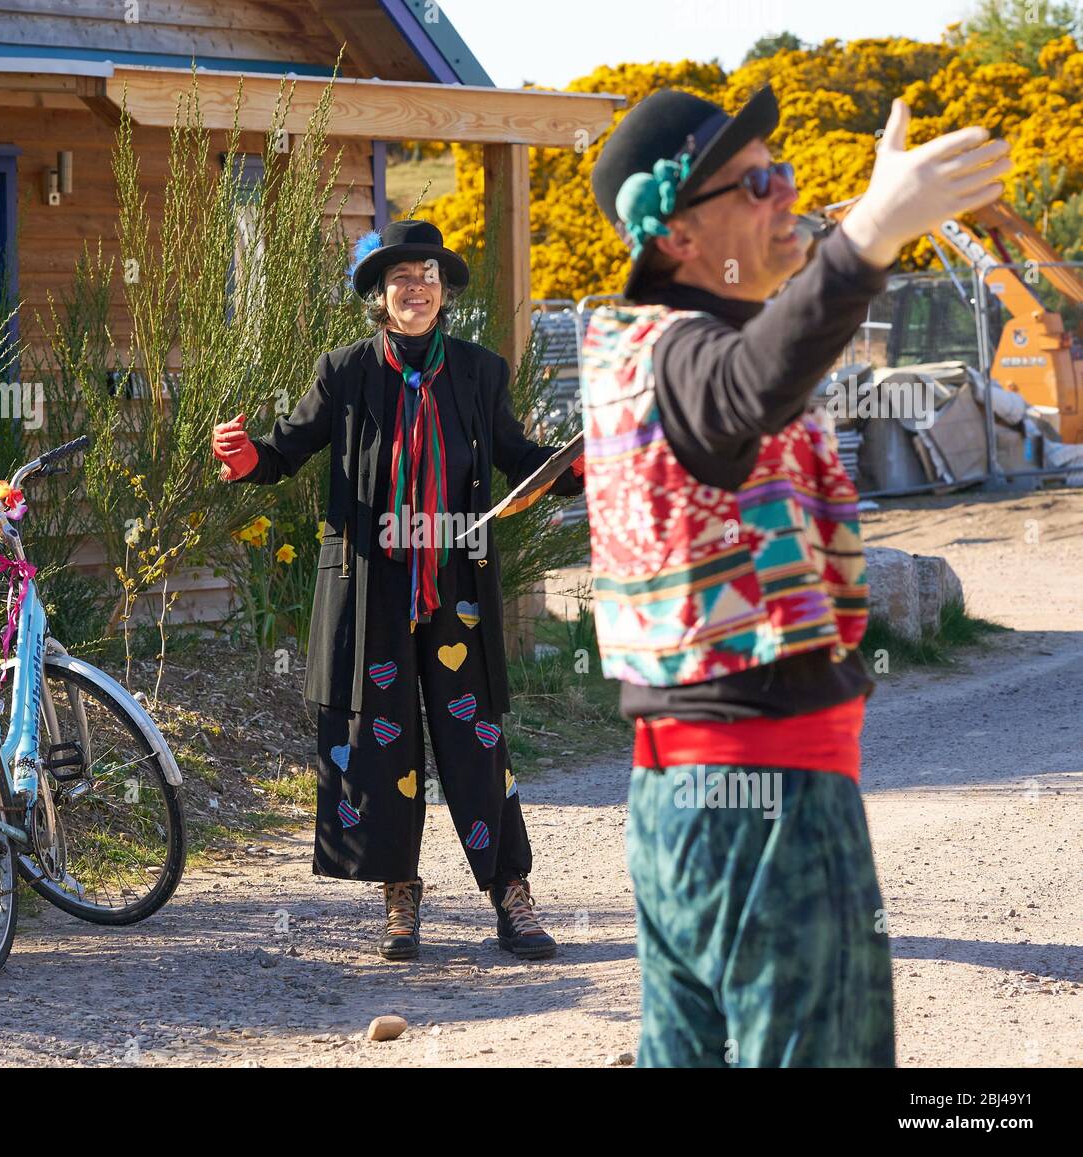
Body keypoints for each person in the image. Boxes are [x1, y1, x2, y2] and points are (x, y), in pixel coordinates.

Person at [580, 85, 1009, 1065]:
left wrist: (870, 233)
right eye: (758, 180)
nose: (788, 194)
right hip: (757, 794)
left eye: (785, 173)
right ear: (679, 236)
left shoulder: (669, 346)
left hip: (705, 795)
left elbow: (762, 370)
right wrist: (867, 236)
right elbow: (743, 390)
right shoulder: (683, 354)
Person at [211, 219, 585, 961]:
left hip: (456, 586)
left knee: (476, 740)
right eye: (402, 278)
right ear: (380, 296)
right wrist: (249, 456)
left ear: (444, 293)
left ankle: (511, 895)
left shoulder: (480, 372)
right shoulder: (346, 370)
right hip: (374, 586)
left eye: (429, 277)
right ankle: (399, 899)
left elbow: (516, 456)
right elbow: (287, 449)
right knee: (382, 744)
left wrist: (578, 467)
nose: (417, 288)